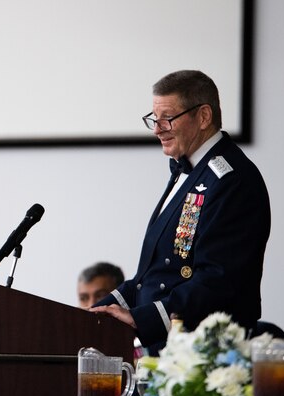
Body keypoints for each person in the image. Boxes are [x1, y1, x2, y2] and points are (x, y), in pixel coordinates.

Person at [90, 70, 271, 353]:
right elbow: (154, 274)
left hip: (207, 357)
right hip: (171, 351)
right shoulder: (190, 170)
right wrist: (93, 314)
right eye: (154, 118)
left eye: (168, 118)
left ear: (203, 117)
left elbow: (218, 280)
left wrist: (141, 318)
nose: (157, 129)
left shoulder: (233, 180)